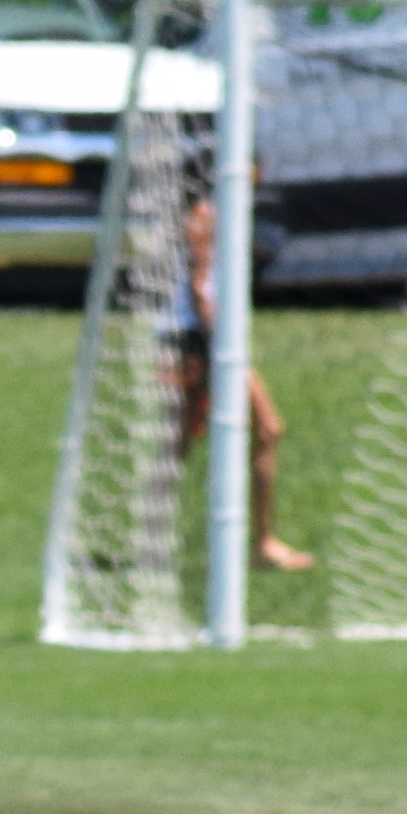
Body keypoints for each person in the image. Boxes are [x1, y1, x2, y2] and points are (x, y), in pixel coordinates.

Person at [164, 187, 314, 576]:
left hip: (201, 341)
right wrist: (220, 349)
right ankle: (261, 544)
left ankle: (153, 540)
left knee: (181, 444)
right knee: (261, 429)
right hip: (201, 343)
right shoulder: (204, 216)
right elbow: (200, 289)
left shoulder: (219, 212)